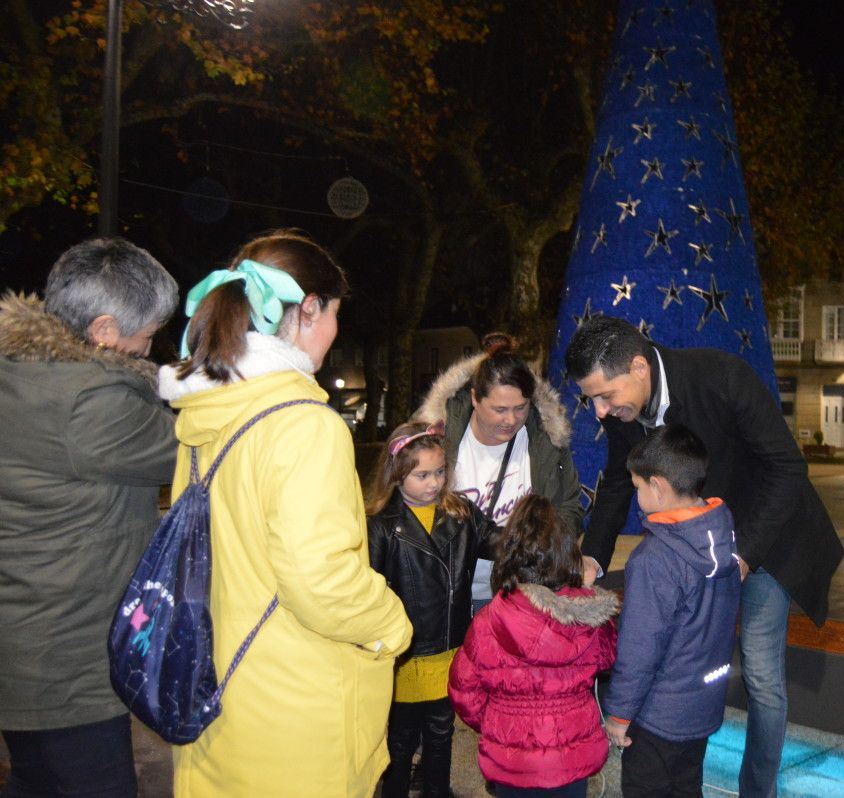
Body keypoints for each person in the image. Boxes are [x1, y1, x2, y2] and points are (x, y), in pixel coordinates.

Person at [157, 230, 412, 797]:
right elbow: (319, 579)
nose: (335, 331)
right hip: (296, 716)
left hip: (217, 696)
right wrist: (390, 623)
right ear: (308, 309)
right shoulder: (304, 424)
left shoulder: (206, 414)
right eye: (334, 314)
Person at [565, 316, 844, 797]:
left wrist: (744, 556)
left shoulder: (722, 377)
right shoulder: (623, 414)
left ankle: (758, 791)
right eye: (592, 399)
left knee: (760, 674)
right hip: (691, 552)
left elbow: (786, 467)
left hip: (763, 539)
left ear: (637, 365)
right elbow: (615, 481)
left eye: (605, 395)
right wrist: (593, 556)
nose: (600, 411)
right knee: (683, 665)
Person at [0, 238, 178, 798]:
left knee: (34, 781)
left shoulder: (22, 371)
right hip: (64, 666)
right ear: (103, 330)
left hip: (25, 647)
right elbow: (196, 443)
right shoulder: (90, 403)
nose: (151, 346)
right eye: (147, 334)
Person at [448, 494, 618, 798]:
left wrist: (495, 723)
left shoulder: (489, 621)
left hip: (511, 763)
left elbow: (464, 691)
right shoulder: (589, 617)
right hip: (572, 760)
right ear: (568, 554)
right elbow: (608, 658)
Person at [602, 425, 741, 798]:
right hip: (702, 705)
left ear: (658, 487)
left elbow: (640, 647)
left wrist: (618, 713)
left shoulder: (654, 559)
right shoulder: (724, 537)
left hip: (657, 717)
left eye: (637, 488)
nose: (637, 496)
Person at [366, 420, 501, 798]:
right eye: (422, 474)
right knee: (400, 741)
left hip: (448, 653)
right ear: (396, 474)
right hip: (404, 658)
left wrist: (539, 544)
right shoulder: (380, 525)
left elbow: (500, 543)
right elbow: (370, 591)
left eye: (440, 471)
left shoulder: (461, 513)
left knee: (442, 736)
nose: (434, 482)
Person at [414, 332, 582, 616]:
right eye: (499, 409)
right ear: (475, 398)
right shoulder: (436, 437)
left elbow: (569, 506)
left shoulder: (547, 440)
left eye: (520, 408)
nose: (511, 420)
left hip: (521, 596)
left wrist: (548, 556)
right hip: (449, 596)